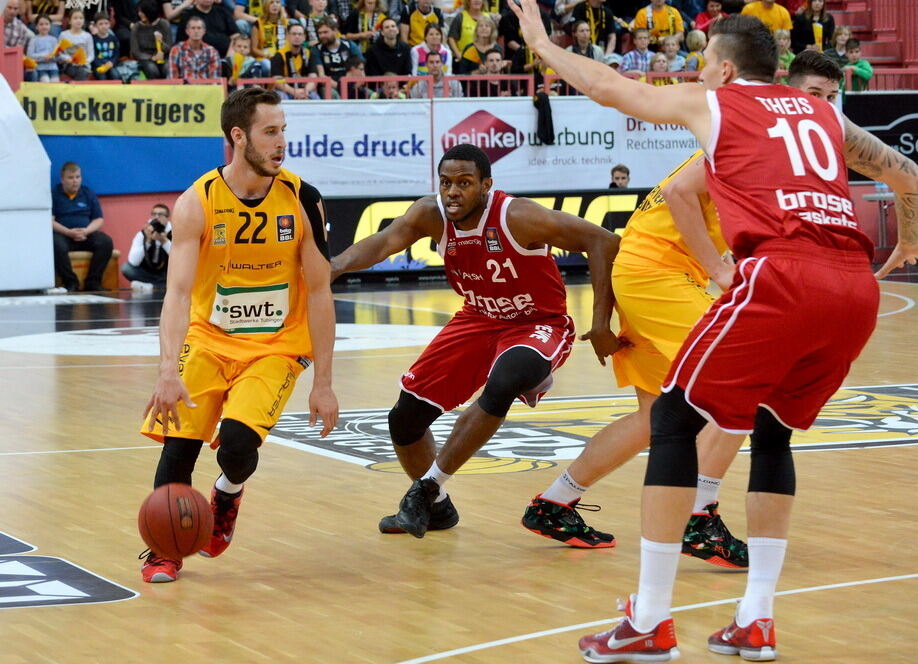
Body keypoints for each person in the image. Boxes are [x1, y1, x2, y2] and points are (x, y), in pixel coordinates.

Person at [509, 6, 918, 660]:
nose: (697, 70)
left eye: (702, 59)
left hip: (782, 275)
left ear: (725, 68)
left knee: (672, 417)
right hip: (853, 288)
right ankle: (755, 618)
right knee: (770, 429)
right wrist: (909, 243)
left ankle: (649, 620)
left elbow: (610, 87)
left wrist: (537, 42)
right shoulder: (823, 115)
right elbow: (908, 175)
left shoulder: (717, 102)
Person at [329, 143, 622, 539]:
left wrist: (601, 322)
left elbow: (602, 240)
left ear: (486, 185)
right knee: (404, 419)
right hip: (478, 319)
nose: (453, 191)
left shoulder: (516, 215)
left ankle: (425, 489)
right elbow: (383, 243)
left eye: (464, 183)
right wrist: (333, 267)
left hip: (537, 322)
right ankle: (436, 510)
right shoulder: (430, 214)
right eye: (446, 182)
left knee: (508, 377)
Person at [140, 87, 338, 583]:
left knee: (235, 445)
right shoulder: (198, 202)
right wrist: (167, 371)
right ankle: (165, 548)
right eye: (270, 132)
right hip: (209, 338)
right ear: (238, 136)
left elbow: (319, 292)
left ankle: (226, 494)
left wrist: (325, 383)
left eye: (283, 131)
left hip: (275, 347)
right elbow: (178, 294)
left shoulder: (303, 198)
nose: (281, 142)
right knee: (178, 447)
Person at [50, 162, 114, 292]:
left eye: (78, 177)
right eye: (71, 177)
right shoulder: (54, 194)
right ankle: (71, 283)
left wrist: (86, 231)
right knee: (55, 244)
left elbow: (98, 219)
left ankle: (93, 282)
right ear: (63, 179)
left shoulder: (87, 193)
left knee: (105, 242)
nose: (75, 181)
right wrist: (68, 232)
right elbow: (50, 221)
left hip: (86, 234)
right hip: (64, 235)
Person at [123, 204, 173, 292]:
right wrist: (148, 241)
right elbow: (133, 262)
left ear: (168, 217)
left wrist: (164, 241)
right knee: (126, 268)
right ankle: (159, 286)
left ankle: (151, 286)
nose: (156, 217)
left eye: (160, 214)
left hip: (167, 273)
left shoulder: (173, 233)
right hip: (147, 273)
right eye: (154, 214)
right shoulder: (143, 234)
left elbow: (179, 258)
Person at [271, 22, 319, 97]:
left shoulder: (309, 54)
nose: (297, 37)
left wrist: (306, 91)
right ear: (287, 36)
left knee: (314, 96)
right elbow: (277, 80)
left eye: (300, 34)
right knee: (281, 96)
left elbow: (313, 78)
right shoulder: (279, 55)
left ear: (304, 37)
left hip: (304, 90)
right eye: (294, 34)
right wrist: (294, 91)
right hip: (285, 90)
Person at [311, 17, 364, 85]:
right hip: (329, 86)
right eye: (320, 33)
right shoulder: (317, 49)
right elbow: (321, 76)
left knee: (372, 95)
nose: (322, 35)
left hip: (351, 84)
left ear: (335, 31)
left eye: (325, 32)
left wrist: (353, 86)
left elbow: (361, 71)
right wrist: (340, 87)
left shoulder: (350, 45)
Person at [131, 0, 173, 79]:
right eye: (139, 11)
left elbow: (170, 47)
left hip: (164, 56)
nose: (140, 14)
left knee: (167, 68)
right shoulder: (136, 27)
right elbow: (135, 51)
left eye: (142, 12)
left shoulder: (164, 24)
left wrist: (161, 42)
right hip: (146, 57)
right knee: (152, 69)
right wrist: (151, 57)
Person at [250, 0, 289, 74]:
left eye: (277, 2)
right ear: (266, 5)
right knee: (268, 65)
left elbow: (288, 45)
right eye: (271, 2)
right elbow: (254, 49)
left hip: (283, 56)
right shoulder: (258, 23)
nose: (275, 5)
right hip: (265, 58)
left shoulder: (286, 23)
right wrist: (268, 55)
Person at [57, 9, 94, 80]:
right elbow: (60, 53)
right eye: (75, 18)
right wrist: (69, 59)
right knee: (80, 72)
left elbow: (91, 55)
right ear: (70, 21)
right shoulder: (64, 35)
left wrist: (84, 61)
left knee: (82, 71)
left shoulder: (88, 36)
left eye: (81, 18)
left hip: (84, 65)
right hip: (70, 65)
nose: (78, 20)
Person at [26, 14, 60, 82]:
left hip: (53, 67)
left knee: (55, 82)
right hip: (40, 68)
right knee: (45, 81)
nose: (44, 26)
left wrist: (52, 57)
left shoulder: (54, 40)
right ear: (36, 27)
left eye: (47, 24)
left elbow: (58, 55)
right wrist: (43, 57)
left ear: (50, 26)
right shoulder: (34, 40)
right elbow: (29, 56)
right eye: (41, 24)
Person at [92, 15, 121, 80]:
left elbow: (116, 54)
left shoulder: (113, 38)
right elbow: (93, 55)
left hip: (110, 64)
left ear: (109, 25)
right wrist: (99, 64)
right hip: (98, 65)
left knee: (115, 75)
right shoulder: (93, 39)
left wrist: (112, 62)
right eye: (100, 24)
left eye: (106, 23)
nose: (104, 26)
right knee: (102, 77)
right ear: (95, 26)